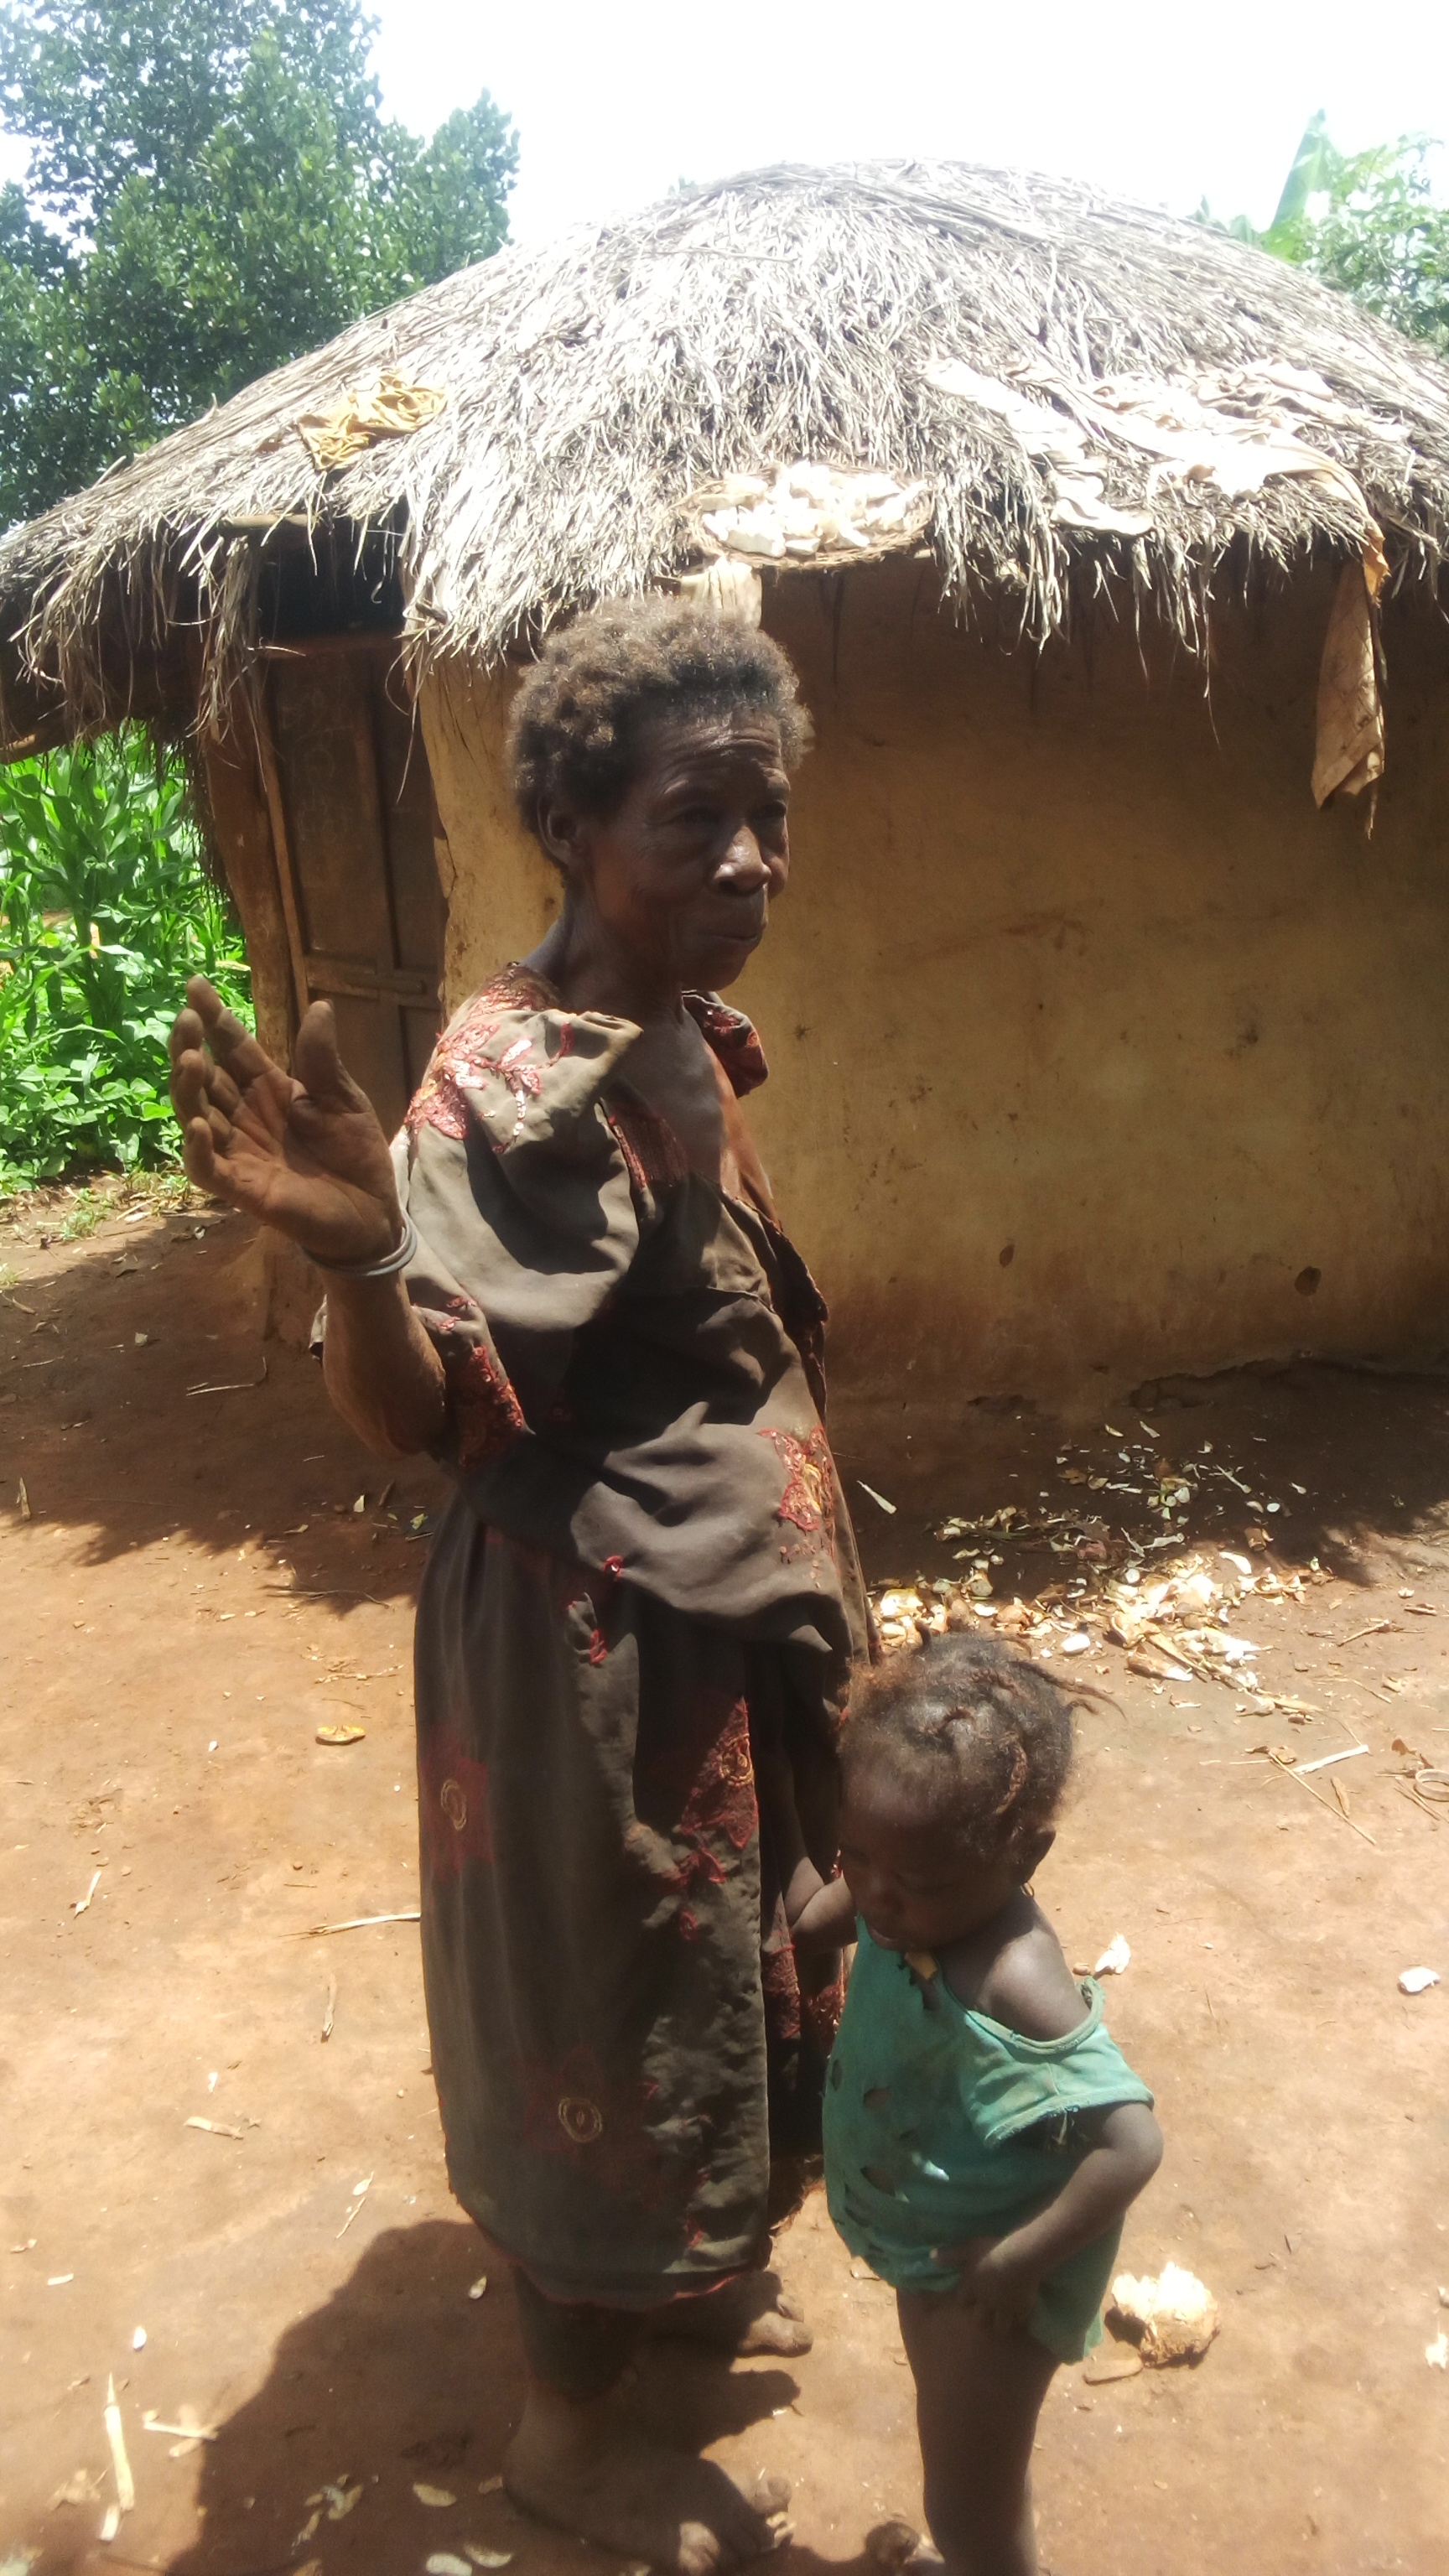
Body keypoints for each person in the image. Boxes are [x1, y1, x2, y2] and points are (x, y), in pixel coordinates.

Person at [168, 599, 869, 2573]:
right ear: (571, 825)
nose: (749, 856)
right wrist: (359, 1260)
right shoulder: (495, 1086)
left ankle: (694, 2278)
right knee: (605, 2001)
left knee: (737, 1957)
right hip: (591, 1653)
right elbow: (421, 1419)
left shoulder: (668, 1029)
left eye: (767, 813)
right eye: (693, 817)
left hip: (721, 1619)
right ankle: (570, 2434)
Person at [798, 1632, 1162, 2576]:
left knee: (968, 2507)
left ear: (1023, 1853)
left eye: (915, 1881)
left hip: (997, 2273)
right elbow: (847, 1904)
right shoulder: (905, 1884)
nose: (879, 1898)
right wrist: (830, 1903)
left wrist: (1016, 2262)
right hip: (941, 2250)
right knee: (951, 2441)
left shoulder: (1014, 1979)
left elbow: (1131, 2144)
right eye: (856, 1856)